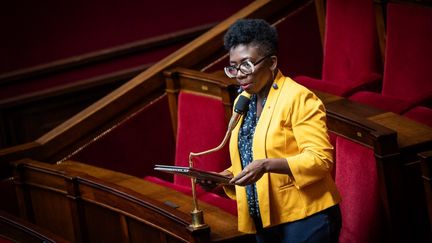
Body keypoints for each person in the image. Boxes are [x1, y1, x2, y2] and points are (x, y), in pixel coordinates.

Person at [199, 19, 342, 243]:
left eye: (246, 65)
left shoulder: (298, 98)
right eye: (233, 67)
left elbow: (320, 160)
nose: (238, 74)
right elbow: (251, 154)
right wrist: (224, 177)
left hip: (306, 218)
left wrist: (267, 164)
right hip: (264, 217)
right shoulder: (244, 99)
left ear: (272, 62)